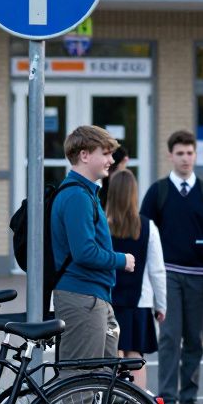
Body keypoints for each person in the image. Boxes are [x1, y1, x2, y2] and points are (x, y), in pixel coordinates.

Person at [141, 130, 203, 404]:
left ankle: (189, 397)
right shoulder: (158, 192)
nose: (185, 158)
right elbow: (144, 235)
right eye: (180, 153)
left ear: (195, 155)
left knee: (194, 338)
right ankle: (168, 399)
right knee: (169, 336)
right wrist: (147, 278)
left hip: (199, 277)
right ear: (170, 156)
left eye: (190, 153)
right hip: (168, 276)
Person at [51, 125, 132, 370]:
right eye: (105, 153)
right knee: (80, 381)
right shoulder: (77, 196)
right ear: (84, 155)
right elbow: (84, 252)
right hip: (82, 296)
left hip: (93, 295)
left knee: (101, 377)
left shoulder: (86, 193)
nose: (111, 160)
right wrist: (121, 260)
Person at [106, 169, 167, 390]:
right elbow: (157, 270)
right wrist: (161, 304)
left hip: (109, 300)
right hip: (139, 302)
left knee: (114, 353)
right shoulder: (147, 225)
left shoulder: (102, 222)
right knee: (135, 355)